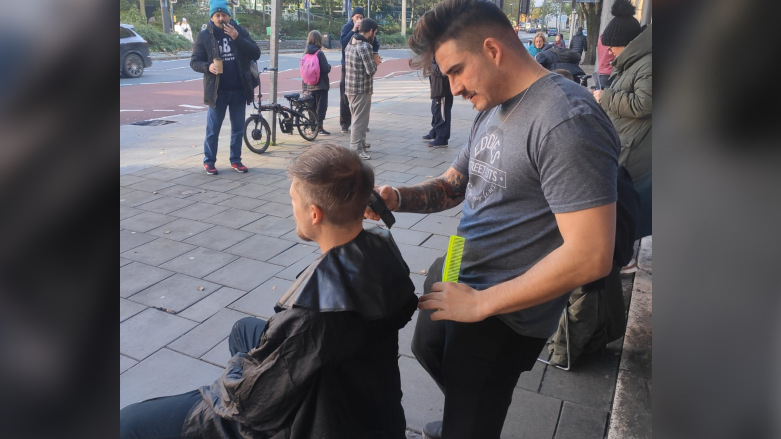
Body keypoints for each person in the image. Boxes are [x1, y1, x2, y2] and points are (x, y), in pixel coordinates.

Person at [366, 0, 620, 437]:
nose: (453, 88)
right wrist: (397, 198)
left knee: (473, 412)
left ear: (492, 49)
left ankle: (470, 419)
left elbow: (592, 255)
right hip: (459, 270)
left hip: (503, 312)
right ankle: (466, 412)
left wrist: (481, 303)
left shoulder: (566, 120)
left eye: (456, 71)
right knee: (428, 349)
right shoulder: (493, 104)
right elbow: (456, 184)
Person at [120, 144, 418, 439]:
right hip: (364, 398)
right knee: (242, 331)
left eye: (293, 200)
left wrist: (241, 368)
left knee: (129, 422)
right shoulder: (383, 247)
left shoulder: (313, 315)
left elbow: (249, 403)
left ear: (315, 214)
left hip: (320, 419)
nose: (292, 207)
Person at [592, 4, 652, 273]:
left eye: (613, 46)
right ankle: (620, 255)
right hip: (625, 141)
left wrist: (605, 97)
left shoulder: (648, 62)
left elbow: (645, 103)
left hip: (634, 148)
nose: (610, 51)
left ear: (627, 43)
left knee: (622, 202)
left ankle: (623, 257)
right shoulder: (635, 61)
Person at [190, 0, 260, 175]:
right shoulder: (205, 36)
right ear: (212, 17)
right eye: (217, 15)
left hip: (238, 89)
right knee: (213, 129)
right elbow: (194, 62)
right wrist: (208, 67)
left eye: (224, 15)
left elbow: (255, 52)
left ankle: (235, 160)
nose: (221, 18)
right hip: (217, 91)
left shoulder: (239, 31)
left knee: (237, 129)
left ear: (229, 15)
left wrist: (237, 38)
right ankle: (209, 161)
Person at [339, 7, 380, 134]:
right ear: (352, 18)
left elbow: (375, 44)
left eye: (361, 17)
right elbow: (344, 43)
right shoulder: (347, 27)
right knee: (346, 97)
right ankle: (345, 123)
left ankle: (360, 126)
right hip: (349, 66)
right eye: (357, 17)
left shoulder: (367, 31)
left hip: (361, 67)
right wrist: (354, 30)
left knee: (360, 103)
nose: (359, 19)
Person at [344, 18, 380, 160]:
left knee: (356, 117)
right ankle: (356, 149)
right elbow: (370, 70)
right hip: (362, 88)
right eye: (375, 33)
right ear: (371, 31)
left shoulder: (351, 43)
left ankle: (361, 143)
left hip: (350, 87)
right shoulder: (365, 47)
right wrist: (376, 62)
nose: (374, 36)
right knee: (360, 120)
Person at [302, 30, 332, 135]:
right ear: (319, 40)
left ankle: (312, 128)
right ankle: (320, 127)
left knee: (311, 106)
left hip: (308, 84)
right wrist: (329, 67)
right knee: (321, 106)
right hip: (320, 84)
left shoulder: (305, 53)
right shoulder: (319, 53)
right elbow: (325, 69)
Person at [422, 59, 453, 147]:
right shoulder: (434, 54)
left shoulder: (443, 54)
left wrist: (430, 64)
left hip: (443, 90)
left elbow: (443, 71)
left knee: (441, 113)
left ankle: (442, 138)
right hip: (437, 87)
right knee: (435, 111)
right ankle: (435, 131)